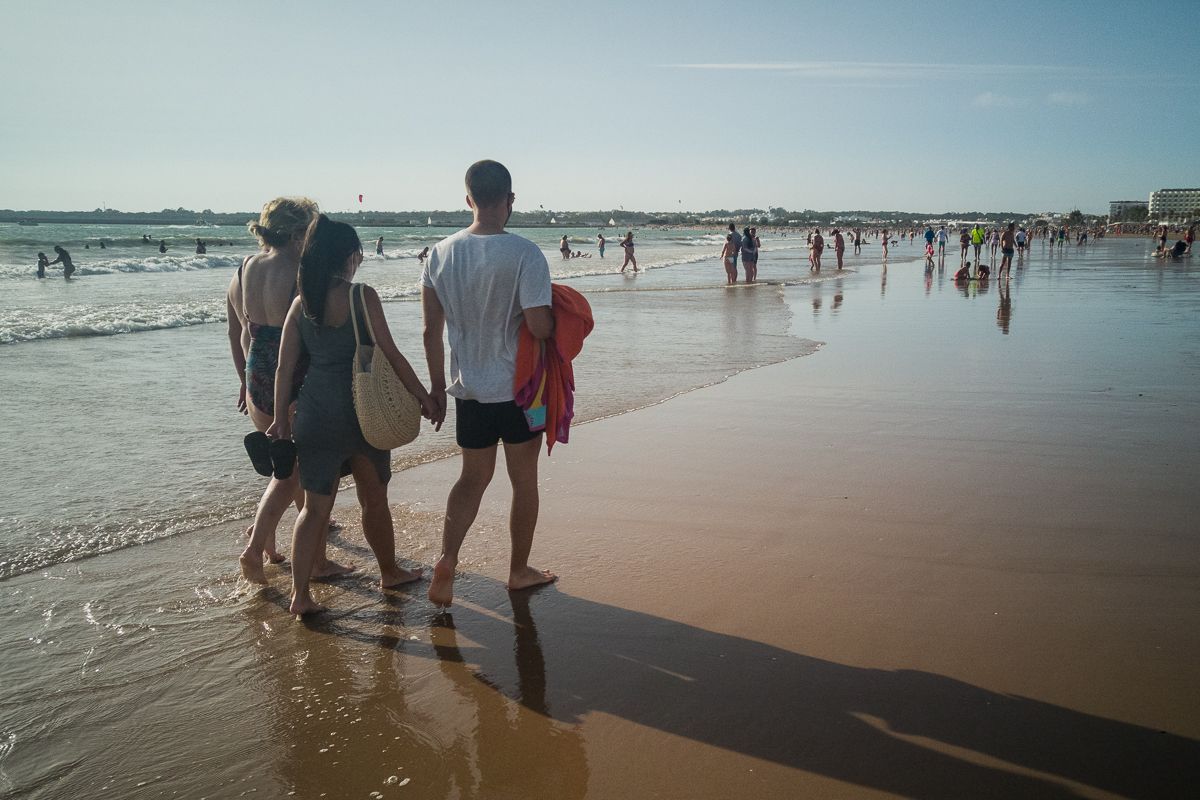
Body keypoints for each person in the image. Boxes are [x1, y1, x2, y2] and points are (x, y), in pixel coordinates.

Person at [267, 215, 434, 615]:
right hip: (364, 413)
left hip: (314, 414)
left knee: (314, 508)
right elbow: (391, 353)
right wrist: (423, 396)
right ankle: (390, 571)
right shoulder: (362, 296)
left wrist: (278, 419)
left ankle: (300, 596)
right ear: (348, 257)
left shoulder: (300, 304)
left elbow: (284, 368)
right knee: (373, 499)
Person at [420, 159, 558, 609]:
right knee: (524, 481)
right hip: (522, 391)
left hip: (470, 391)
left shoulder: (439, 254)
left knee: (471, 479)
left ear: (468, 199)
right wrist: (564, 319)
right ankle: (518, 571)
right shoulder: (524, 253)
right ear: (510, 201)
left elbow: (430, 331)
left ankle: (447, 560)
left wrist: (437, 389)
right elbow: (538, 326)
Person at [228, 197, 336, 578]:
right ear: (296, 233)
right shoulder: (300, 269)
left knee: (284, 463)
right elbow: (310, 335)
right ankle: (254, 549)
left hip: (257, 369)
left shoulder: (244, 269)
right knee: (290, 473)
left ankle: (272, 541)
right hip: (292, 375)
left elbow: (237, 332)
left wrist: (244, 381)